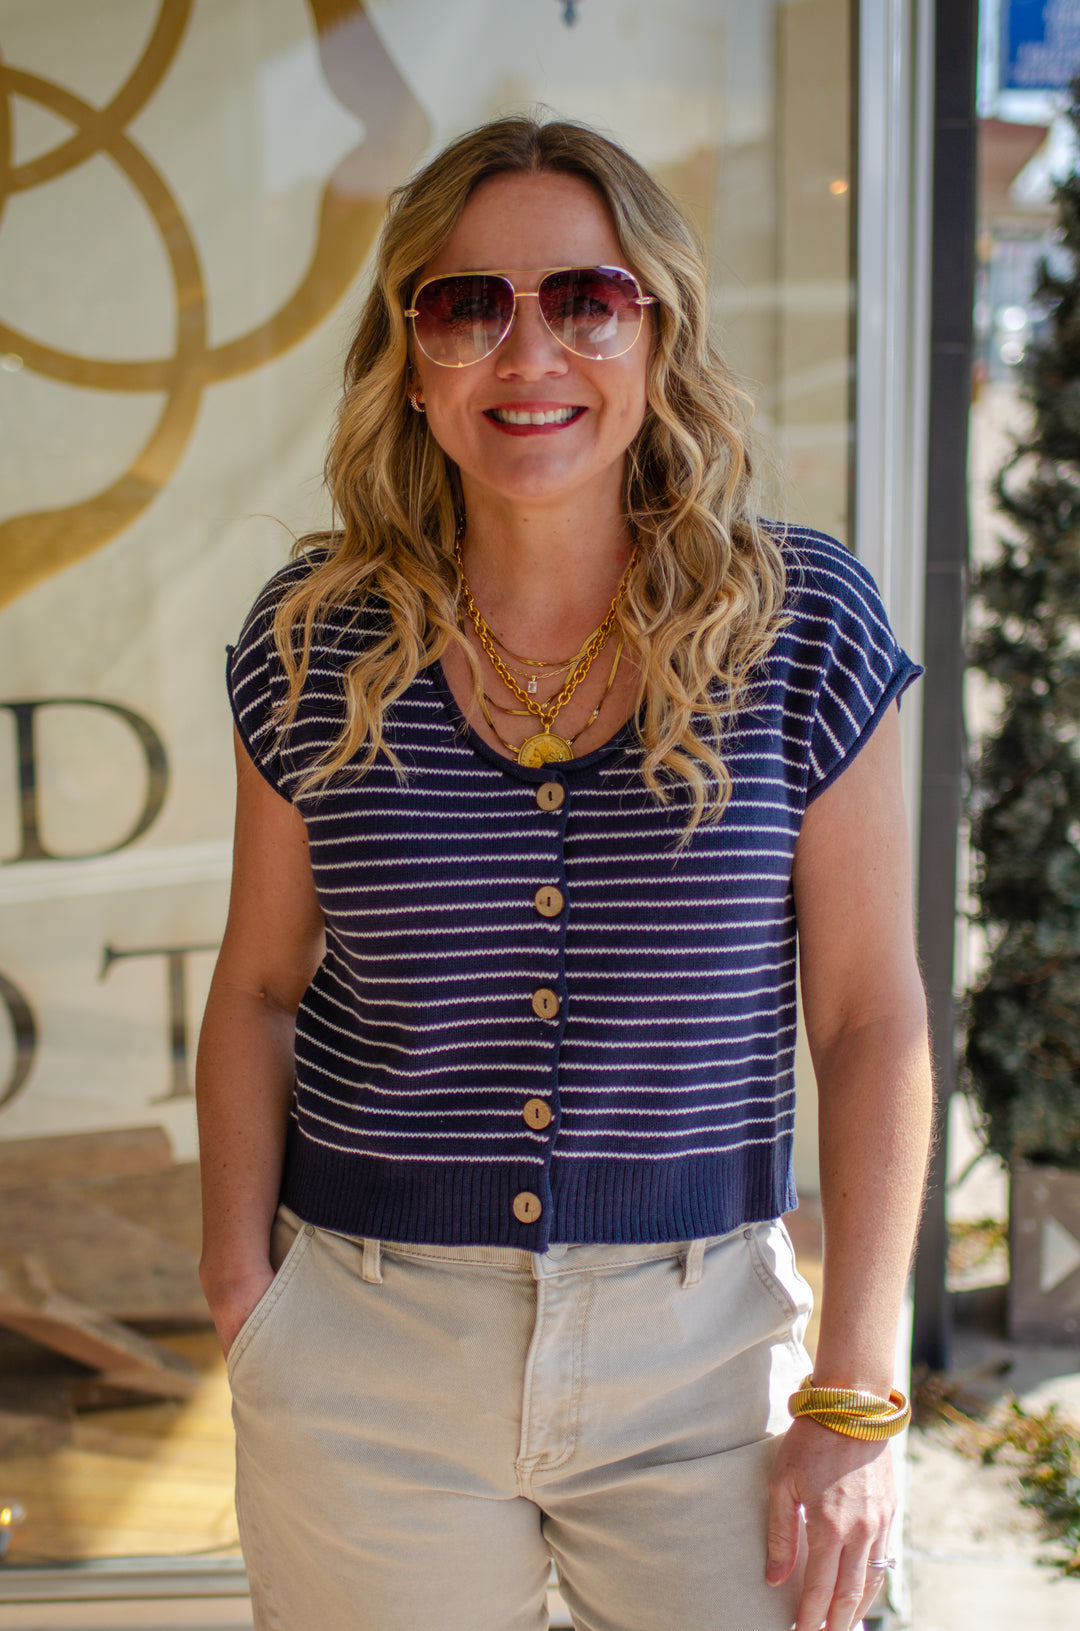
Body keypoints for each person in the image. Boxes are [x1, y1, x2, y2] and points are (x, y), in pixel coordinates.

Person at [196, 115, 934, 1631]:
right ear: (413, 355)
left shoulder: (802, 627)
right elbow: (260, 985)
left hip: (709, 1353)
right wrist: (241, 1296)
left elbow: (870, 1017)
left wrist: (857, 1392)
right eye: (470, 305)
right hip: (368, 1351)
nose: (529, 351)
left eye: (586, 299)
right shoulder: (317, 636)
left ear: (656, 331)